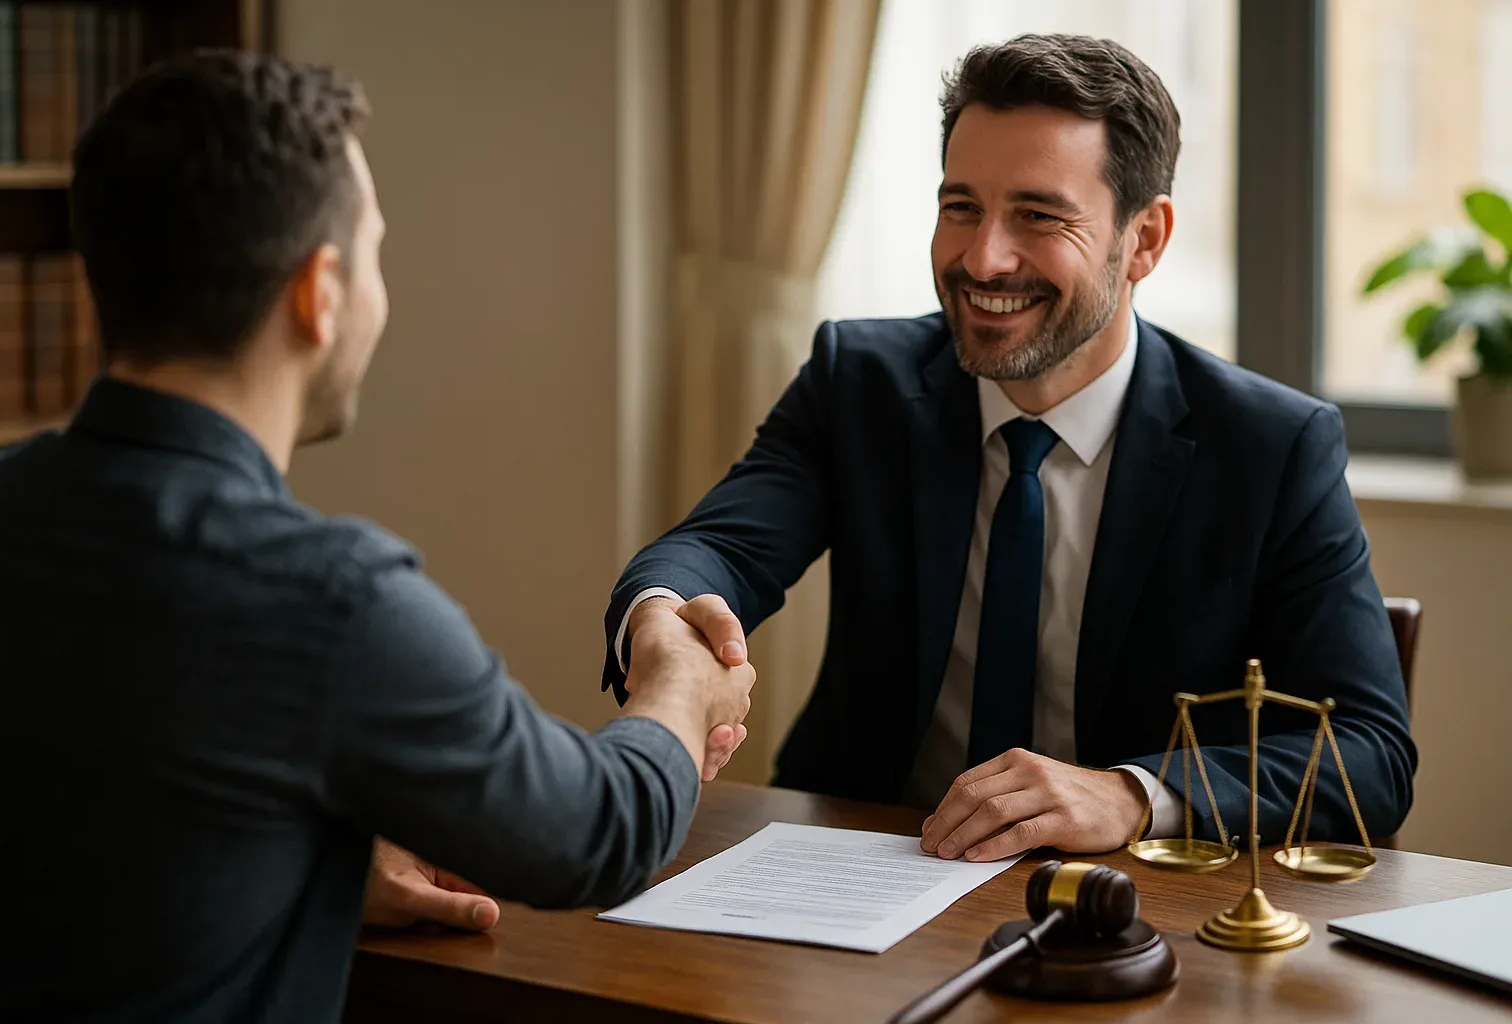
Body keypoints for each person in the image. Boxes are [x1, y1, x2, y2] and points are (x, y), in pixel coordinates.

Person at [0, 51, 754, 1023]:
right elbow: (597, 830)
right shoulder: (330, 602)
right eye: (377, 253)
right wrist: (678, 683)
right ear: (321, 291)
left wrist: (300, 858)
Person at [603, 34, 1415, 865]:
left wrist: (1134, 792)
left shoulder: (1271, 447)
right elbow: (719, 549)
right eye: (962, 207)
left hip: (1128, 913)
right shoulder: (861, 381)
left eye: (1037, 214)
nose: (983, 258)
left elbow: (1371, 751)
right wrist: (663, 622)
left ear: (1144, 241)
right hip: (860, 865)